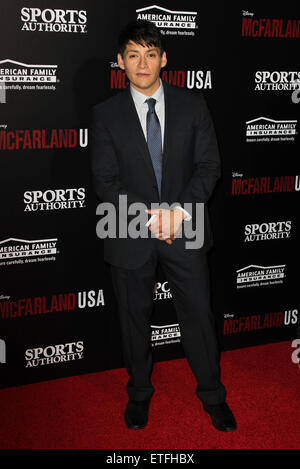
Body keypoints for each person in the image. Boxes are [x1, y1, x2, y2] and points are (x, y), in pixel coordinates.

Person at [91, 19, 236, 432]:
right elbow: (105, 181)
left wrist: (179, 211)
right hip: (127, 228)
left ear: (164, 59)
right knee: (134, 318)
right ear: (120, 62)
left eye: (150, 54)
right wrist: (152, 217)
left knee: (198, 316)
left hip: (185, 224)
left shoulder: (193, 106)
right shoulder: (104, 115)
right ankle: (138, 394)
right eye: (133, 55)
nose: (142, 63)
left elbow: (210, 166)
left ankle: (213, 395)